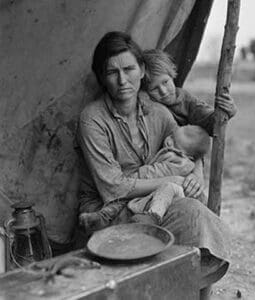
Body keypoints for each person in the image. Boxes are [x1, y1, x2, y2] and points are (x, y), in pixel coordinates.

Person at [77, 31, 231, 287]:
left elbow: (187, 147)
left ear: (142, 70)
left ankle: (173, 284)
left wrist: (195, 173)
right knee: (191, 211)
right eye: (112, 72)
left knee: (195, 204)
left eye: (129, 69)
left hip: (150, 205)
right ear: (102, 78)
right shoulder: (92, 118)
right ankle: (166, 283)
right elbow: (112, 188)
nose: (123, 80)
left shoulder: (158, 112)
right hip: (107, 211)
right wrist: (172, 179)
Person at [80, 125, 210, 229]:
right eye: (172, 136)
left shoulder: (180, 163)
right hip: (152, 189)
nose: (168, 141)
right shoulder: (176, 153)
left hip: (166, 194)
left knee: (166, 189)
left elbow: (156, 172)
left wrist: (136, 178)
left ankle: (153, 216)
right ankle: (103, 217)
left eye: (174, 144)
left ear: (189, 156)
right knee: (123, 200)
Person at [142, 49, 237, 136]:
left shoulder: (186, 100)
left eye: (165, 82)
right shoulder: (149, 105)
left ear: (172, 76)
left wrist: (227, 111)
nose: (163, 91)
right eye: (154, 88)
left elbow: (208, 120)